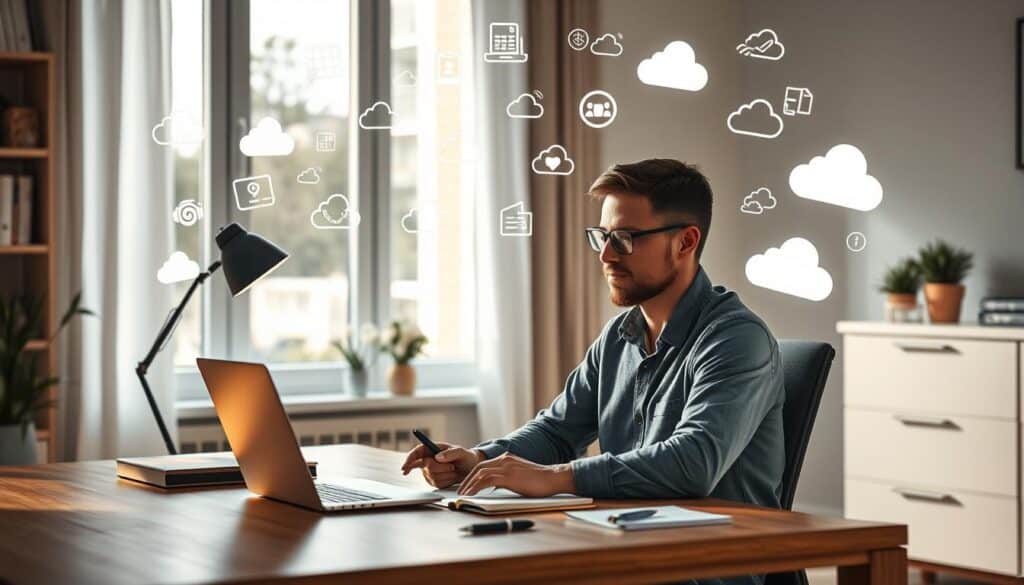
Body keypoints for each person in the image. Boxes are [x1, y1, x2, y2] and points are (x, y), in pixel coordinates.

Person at [401, 158, 785, 517]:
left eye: (624, 239)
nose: (605, 256)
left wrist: (555, 478)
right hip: (627, 542)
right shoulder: (619, 337)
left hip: (708, 562)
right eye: (602, 237)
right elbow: (557, 432)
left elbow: (694, 463)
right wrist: (480, 460)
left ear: (685, 242)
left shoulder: (736, 340)